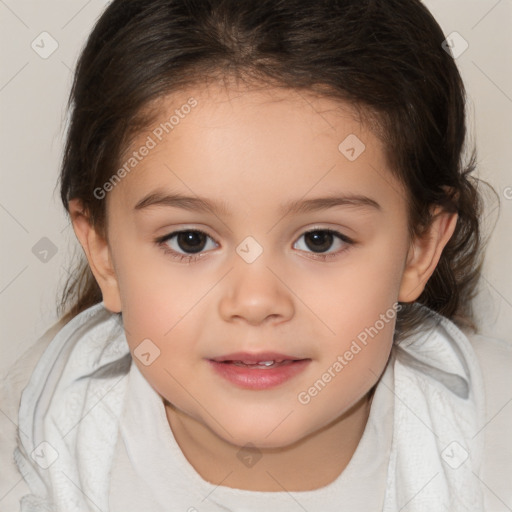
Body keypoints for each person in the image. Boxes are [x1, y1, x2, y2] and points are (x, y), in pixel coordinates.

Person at [1, 0, 511, 510]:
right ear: (103, 252)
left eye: (320, 239)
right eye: (190, 240)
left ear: (419, 249)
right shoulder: (37, 426)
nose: (255, 301)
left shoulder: (493, 433)